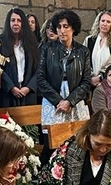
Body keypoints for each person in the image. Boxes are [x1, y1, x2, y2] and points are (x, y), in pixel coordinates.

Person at [36, 10, 93, 150]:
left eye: (66, 26)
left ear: (73, 28)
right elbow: (41, 79)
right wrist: (59, 101)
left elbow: (86, 81)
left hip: (75, 100)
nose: (62, 31)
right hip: (53, 100)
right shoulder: (47, 49)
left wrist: (70, 101)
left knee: (77, 143)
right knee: (52, 144)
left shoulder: (83, 51)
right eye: (59, 27)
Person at [0, 7, 39, 108]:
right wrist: (11, 87)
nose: (16, 23)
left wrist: (29, 87)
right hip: (8, 94)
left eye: (19, 20)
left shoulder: (32, 43)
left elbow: (38, 69)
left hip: (28, 93)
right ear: (8, 23)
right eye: (13, 20)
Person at [83, 10, 111, 86]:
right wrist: (91, 77)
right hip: (90, 81)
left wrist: (100, 77)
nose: (105, 24)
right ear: (98, 22)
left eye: (108, 22)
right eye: (103, 21)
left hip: (109, 83)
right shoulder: (89, 40)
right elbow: (83, 60)